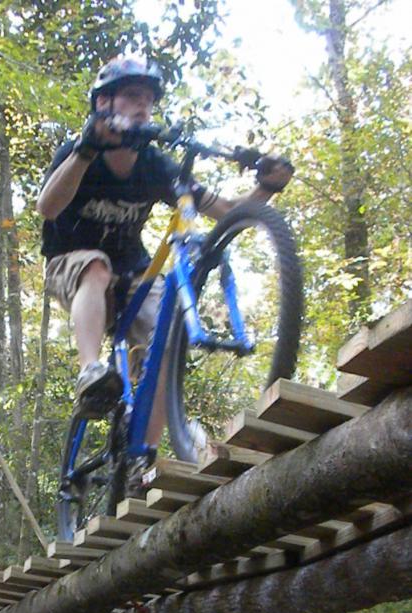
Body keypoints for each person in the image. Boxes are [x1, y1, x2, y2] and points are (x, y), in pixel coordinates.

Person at [37, 56, 293, 476]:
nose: (143, 106)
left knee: (164, 341)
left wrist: (267, 186)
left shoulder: (156, 166)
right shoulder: (80, 152)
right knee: (96, 268)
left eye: (149, 100)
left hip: (132, 272)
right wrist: (87, 148)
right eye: (133, 96)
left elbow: (226, 210)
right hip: (71, 263)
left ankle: (143, 457)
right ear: (104, 103)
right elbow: (47, 207)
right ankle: (90, 372)